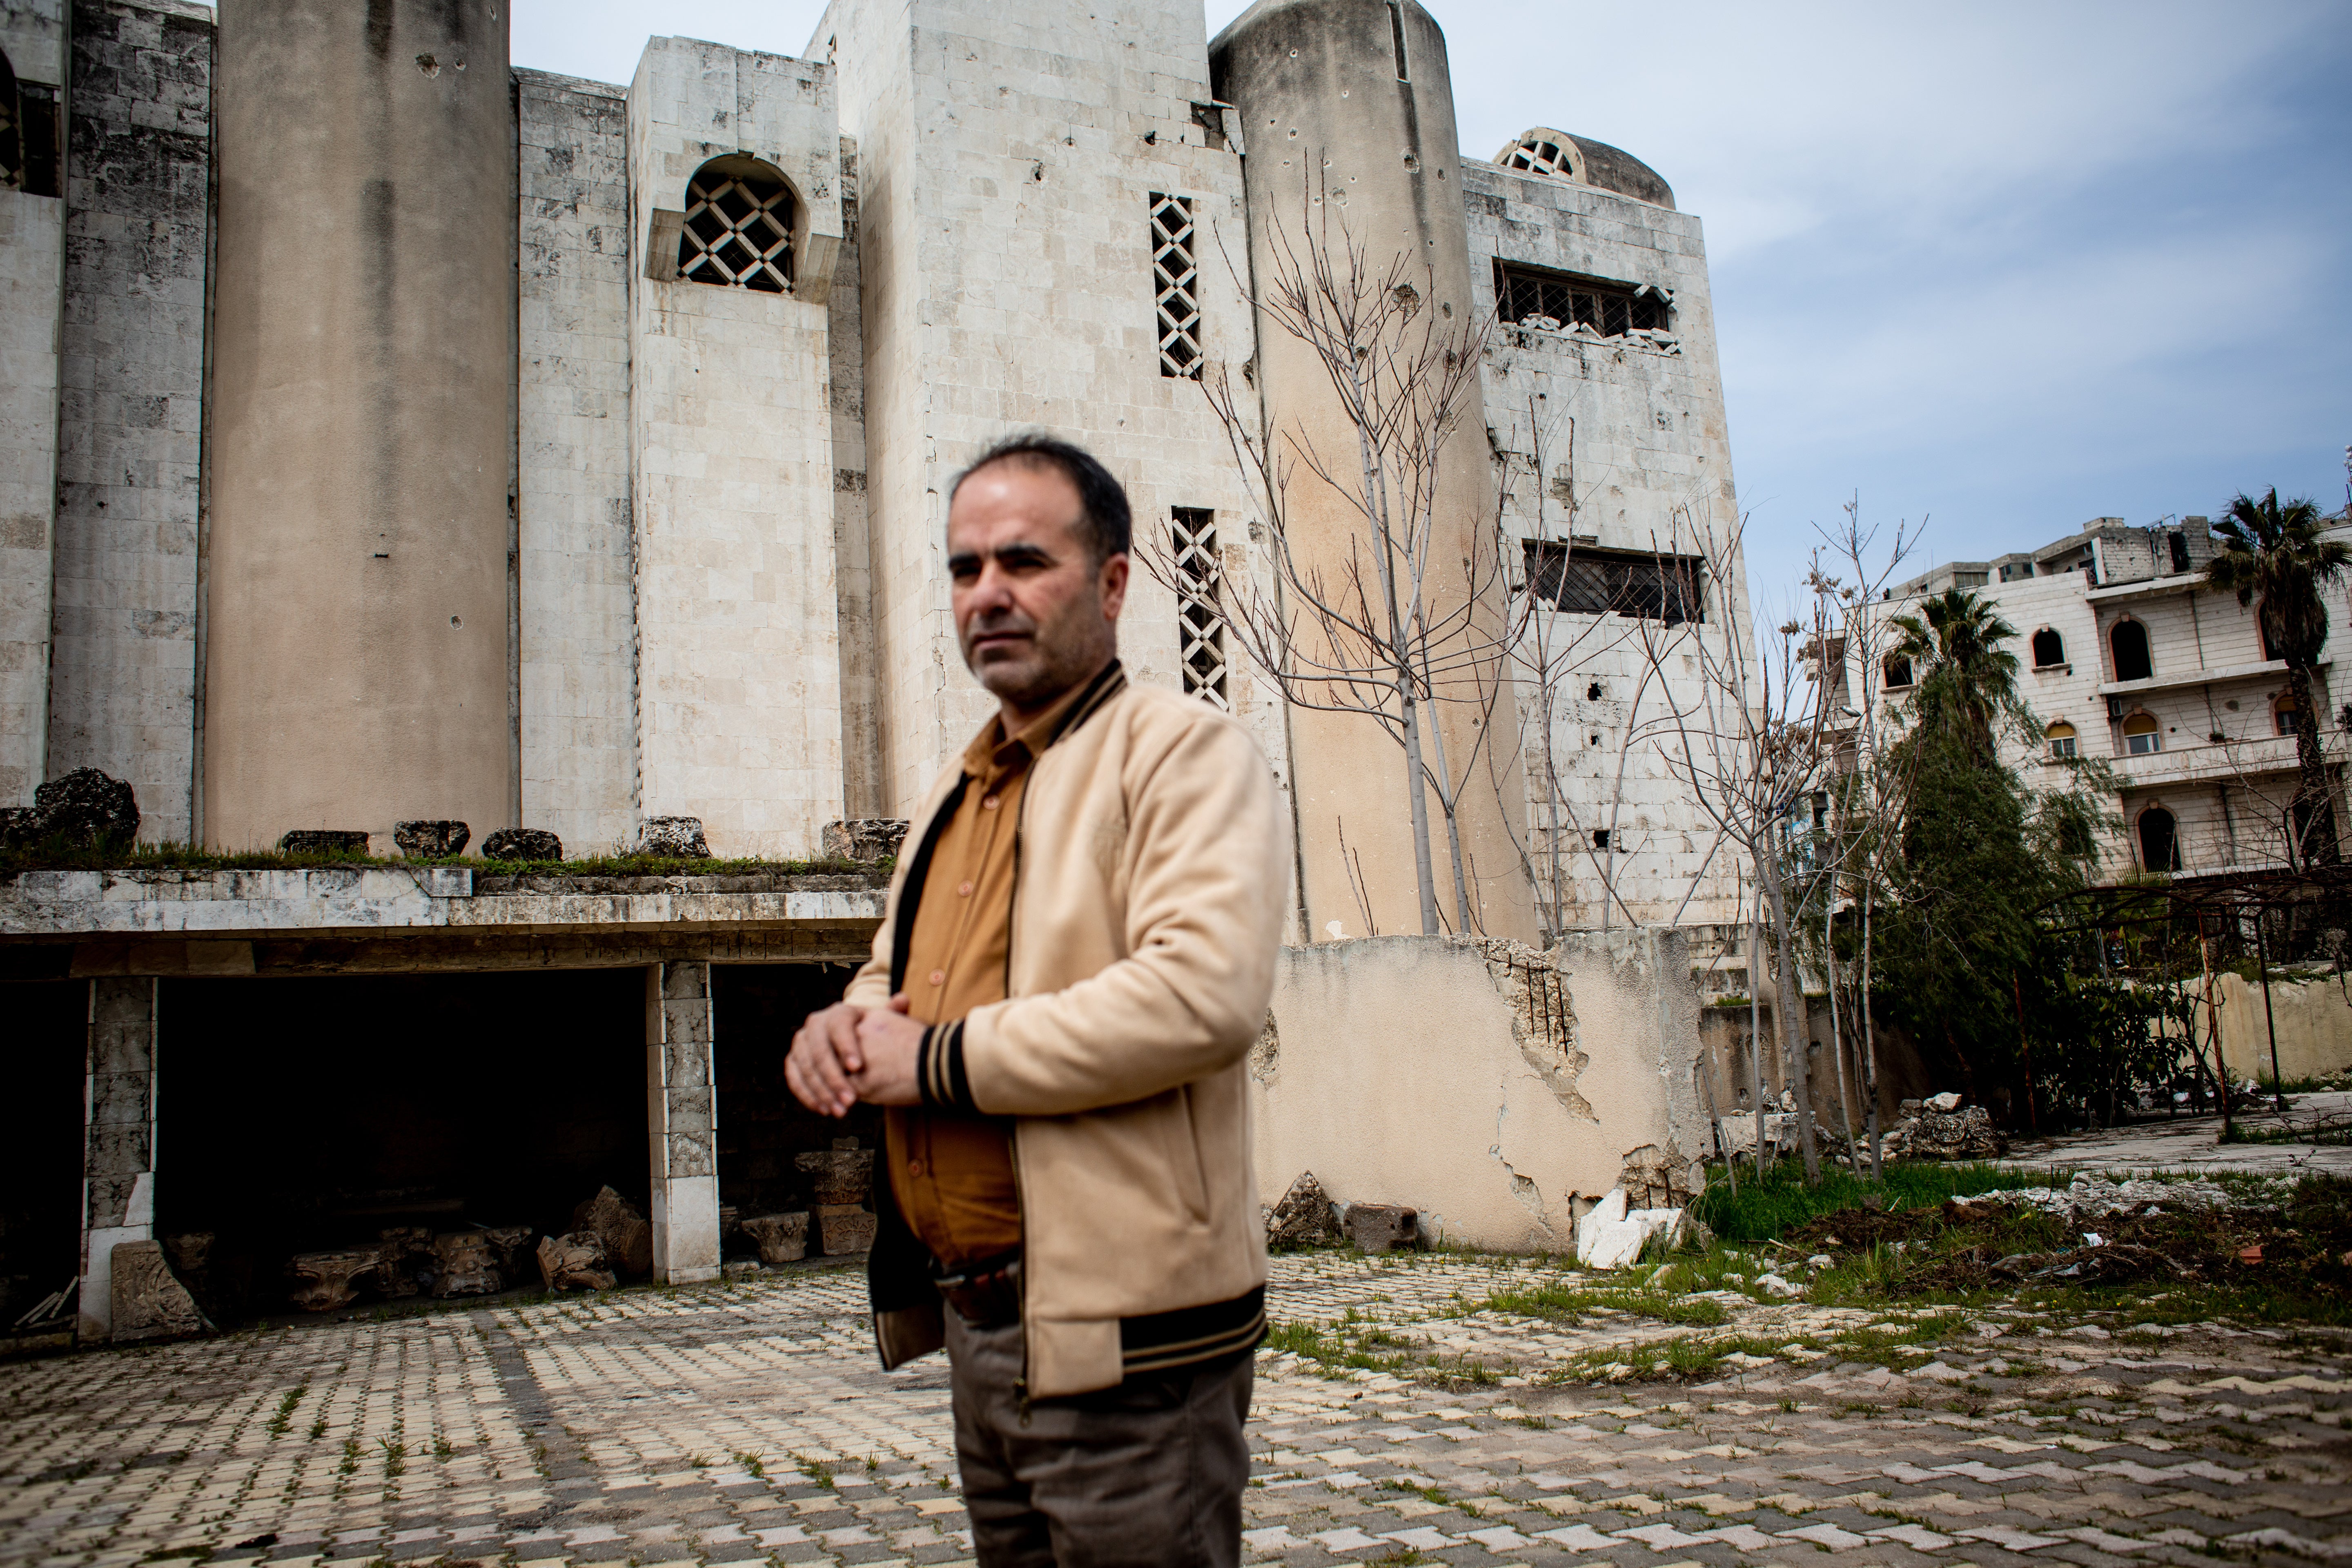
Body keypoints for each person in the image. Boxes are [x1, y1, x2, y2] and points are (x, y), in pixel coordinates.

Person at [784, 432, 1288, 1568]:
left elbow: (1200, 996)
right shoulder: (954, 794)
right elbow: (893, 980)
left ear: (1113, 582)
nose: (988, 594)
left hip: (1132, 1352)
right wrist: (842, 1028)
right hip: (979, 1331)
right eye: (965, 569)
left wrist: (939, 1063)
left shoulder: (1181, 753)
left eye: (1024, 561)